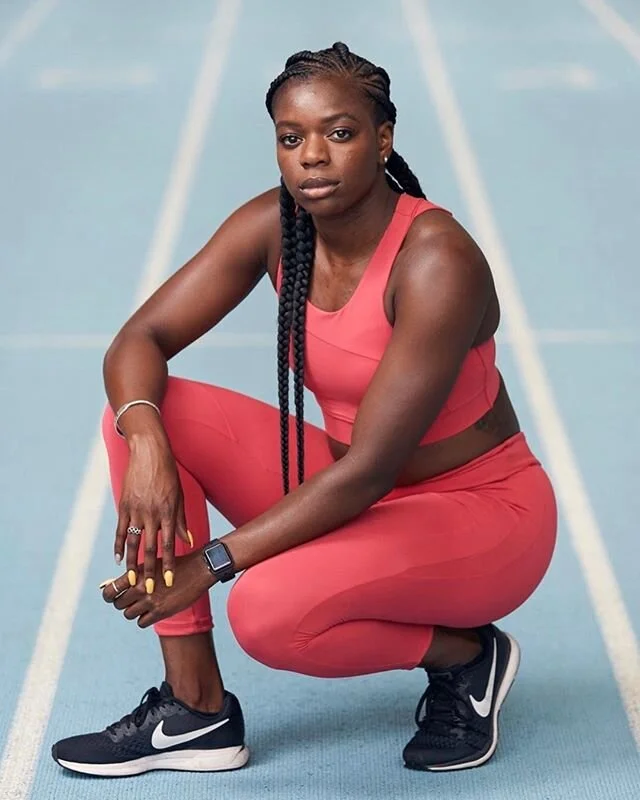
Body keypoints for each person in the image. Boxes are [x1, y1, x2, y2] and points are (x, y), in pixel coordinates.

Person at [51, 42, 557, 778]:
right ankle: (195, 710)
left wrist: (210, 563)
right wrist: (148, 444)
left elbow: (370, 470)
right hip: (354, 491)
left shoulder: (436, 259)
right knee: (143, 413)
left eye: (339, 133)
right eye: (291, 138)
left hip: (478, 515)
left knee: (265, 612)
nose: (312, 156)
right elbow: (141, 339)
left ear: (383, 139)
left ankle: (467, 654)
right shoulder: (275, 225)